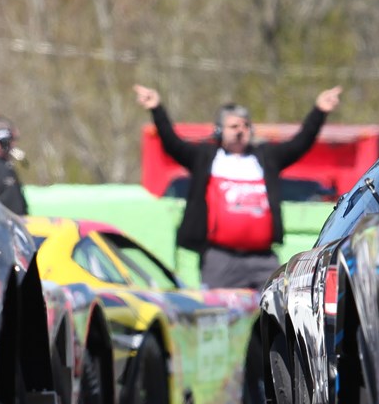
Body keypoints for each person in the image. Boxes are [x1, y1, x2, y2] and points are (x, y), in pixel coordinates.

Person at [133, 83, 342, 290]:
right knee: (220, 309)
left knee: (275, 303)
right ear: (219, 130)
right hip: (220, 259)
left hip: (262, 259)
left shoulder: (266, 157)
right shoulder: (205, 157)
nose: (240, 131)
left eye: (245, 126)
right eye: (233, 127)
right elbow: (172, 144)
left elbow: (300, 143)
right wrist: (156, 109)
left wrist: (319, 111)